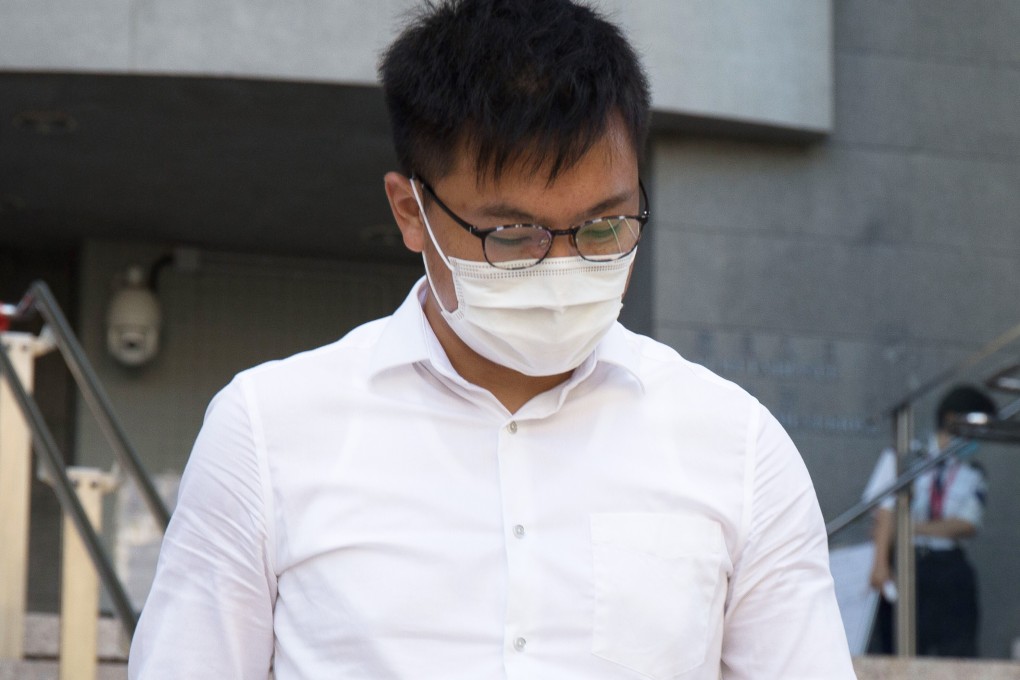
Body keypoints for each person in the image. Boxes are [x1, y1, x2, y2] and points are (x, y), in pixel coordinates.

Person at [128, 1, 855, 677]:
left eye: (605, 227)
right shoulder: (268, 433)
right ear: (410, 211)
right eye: (513, 235)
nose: (565, 267)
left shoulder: (736, 447)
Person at [863, 384, 997, 657]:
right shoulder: (905, 456)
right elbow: (884, 511)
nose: (979, 437)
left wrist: (908, 527)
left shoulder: (973, 471)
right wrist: (879, 564)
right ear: (951, 419)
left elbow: (966, 524)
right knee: (900, 647)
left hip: (949, 567)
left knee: (958, 651)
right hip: (906, 562)